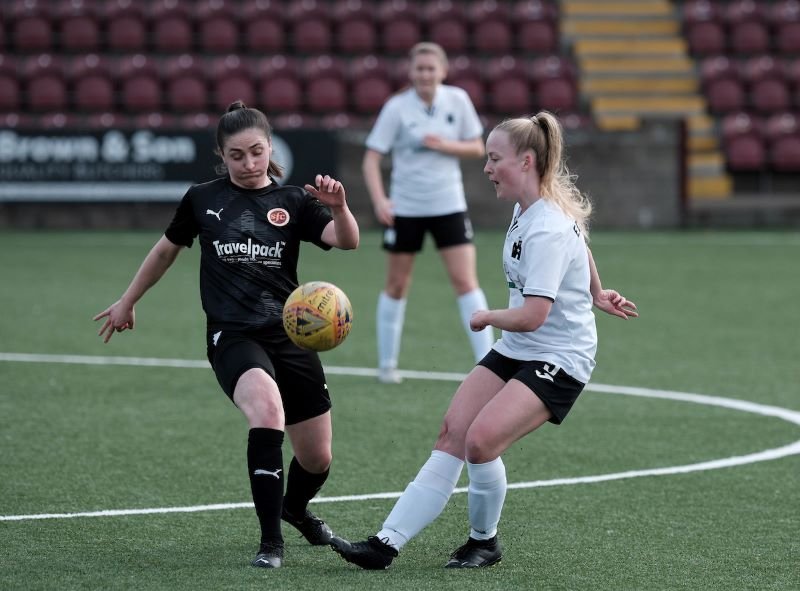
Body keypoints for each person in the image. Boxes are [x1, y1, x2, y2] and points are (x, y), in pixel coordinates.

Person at [330, 111, 638, 569]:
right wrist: (596, 290)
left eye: (495, 159)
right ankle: (385, 544)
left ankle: (483, 542)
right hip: (521, 346)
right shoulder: (531, 207)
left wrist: (486, 316)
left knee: (480, 442)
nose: (487, 168)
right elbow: (582, 242)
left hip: (561, 355)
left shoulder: (547, 226)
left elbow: (534, 315)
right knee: (453, 432)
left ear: (527, 161)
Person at [93, 101, 360, 569]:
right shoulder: (202, 198)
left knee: (317, 458)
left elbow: (348, 240)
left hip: (291, 335)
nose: (249, 163)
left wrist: (339, 208)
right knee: (267, 410)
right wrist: (127, 300)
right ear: (222, 155)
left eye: (257, 152)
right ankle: (270, 542)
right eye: (237, 156)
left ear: (270, 148)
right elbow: (164, 252)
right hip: (233, 337)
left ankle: (293, 508)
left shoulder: (293, 201)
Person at [363, 41, 495, 384]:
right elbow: (372, 158)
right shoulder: (396, 107)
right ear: (410, 72)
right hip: (406, 208)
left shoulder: (458, 100)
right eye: (419, 68)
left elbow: (478, 146)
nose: (424, 74)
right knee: (396, 284)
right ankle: (387, 365)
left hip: (448, 204)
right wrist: (380, 200)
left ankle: (488, 363)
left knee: (466, 282)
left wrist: (444, 144)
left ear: (442, 71)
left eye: (430, 68)